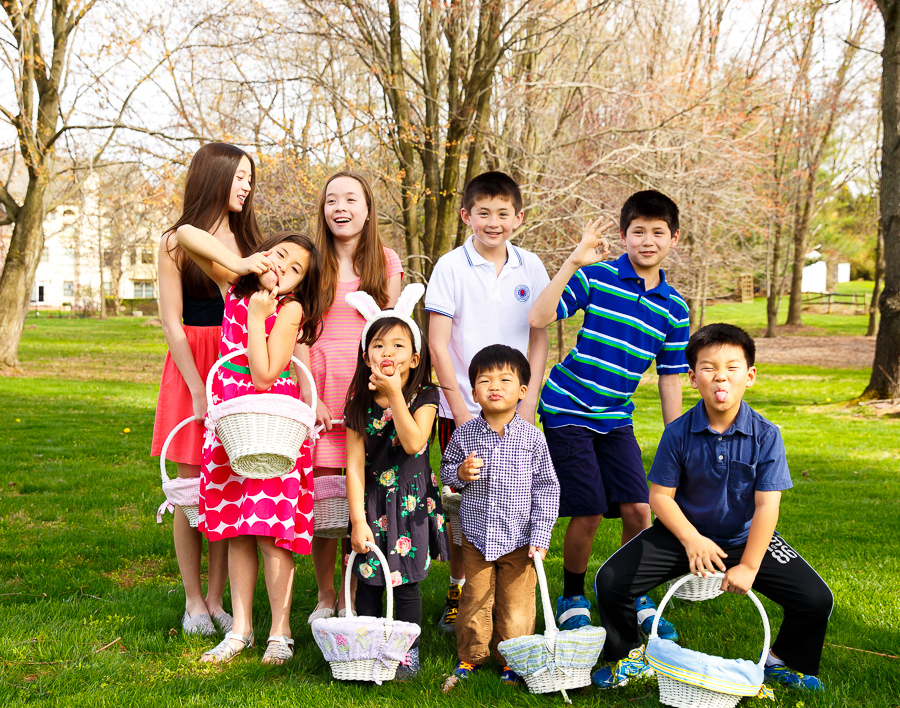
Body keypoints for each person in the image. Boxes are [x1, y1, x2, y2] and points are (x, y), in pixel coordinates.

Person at [592, 323, 834, 692]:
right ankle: (629, 654)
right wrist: (691, 539)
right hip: (681, 536)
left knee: (816, 600)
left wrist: (749, 565)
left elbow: (767, 506)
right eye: (708, 368)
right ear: (693, 378)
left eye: (732, 367)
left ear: (749, 376)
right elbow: (660, 497)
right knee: (610, 580)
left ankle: (782, 661)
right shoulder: (677, 432)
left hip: (743, 538)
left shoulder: (767, 435)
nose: (721, 376)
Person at [528, 190, 689, 639]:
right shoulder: (597, 277)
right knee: (591, 508)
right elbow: (538, 318)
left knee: (640, 508)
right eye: (638, 231)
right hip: (567, 409)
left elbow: (670, 379)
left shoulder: (675, 308)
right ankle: (573, 597)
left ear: (674, 239)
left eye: (658, 232)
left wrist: (676, 442)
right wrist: (572, 262)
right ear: (623, 236)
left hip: (616, 418)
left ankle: (631, 593)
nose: (647, 240)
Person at [174, 224, 324, 665]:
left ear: (300, 285)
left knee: (270, 530)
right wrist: (240, 264)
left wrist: (259, 317)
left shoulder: (290, 310)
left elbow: (263, 374)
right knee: (237, 527)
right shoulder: (233, 286)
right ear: (263, 253)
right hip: (231, 428)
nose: (282, 268)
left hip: (269, 428)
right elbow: (185, 235)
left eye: (295, 269)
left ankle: (280, 632)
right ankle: (241, 629)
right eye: (279, 255)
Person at [425, 171, 549, 633]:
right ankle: (460, 588)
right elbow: (438, 345)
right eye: (483, 213)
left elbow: (539, 338)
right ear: (466, 216)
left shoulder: (530, 267)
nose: (493, 222)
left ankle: (507, 594)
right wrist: (461, 412)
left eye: (502, 213)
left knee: (513, 497)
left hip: (516, 408)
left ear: (518, 218)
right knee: (463, 503)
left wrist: (528, 402)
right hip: (461, 407)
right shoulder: (450, 266)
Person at [151, 142, 263, 637]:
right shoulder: (176, 241)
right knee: (190, 486)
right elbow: (171, 324)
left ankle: (218, 599)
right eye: (238, 176)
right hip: (193, 365)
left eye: (249, 179)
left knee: (228, 482)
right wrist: (198, 389)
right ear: (214, 177)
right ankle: (193, 601)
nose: (246, 187)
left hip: (238, 363)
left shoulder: (250, 239)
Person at [298, 172, 403, 622]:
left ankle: (352, 594)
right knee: (325, 499)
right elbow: (297, 331)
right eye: (331, 200)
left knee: (362, 499)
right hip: (321, 385)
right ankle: (326, 595)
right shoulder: (310, 261)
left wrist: (383, 388)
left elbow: (392, 333)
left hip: (366, 388)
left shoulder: (386, 261)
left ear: (367, 208)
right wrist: (310, 394)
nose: (340, 208)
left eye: (350, 199)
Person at [344, 283, 449, 679]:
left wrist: (395, 395)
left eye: (398, 345)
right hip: (372, 503)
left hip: (410, 504)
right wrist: (358, 520)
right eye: (378, 345)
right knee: (369, 579)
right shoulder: (358, 404)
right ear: (365, 355)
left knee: (404, 583)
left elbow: (414, 441)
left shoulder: (425, 397)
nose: (387, 352)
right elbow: (354, 467)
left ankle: (406, 653)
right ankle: (370, 651)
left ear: (415, 357)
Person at [440, 344, 559, 685]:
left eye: (505, 380)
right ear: (474, 392)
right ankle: (471, 656)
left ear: (522, 391)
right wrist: (460, 473)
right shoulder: (464, 434)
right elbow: (445, 471)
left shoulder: (532, 438)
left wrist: (541, 535)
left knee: (516, 603)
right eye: (485, 380)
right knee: (475, 599)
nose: (495, 386)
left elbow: (547, 489)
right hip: (477, 536)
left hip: (520, 539)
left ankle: (513, 658)